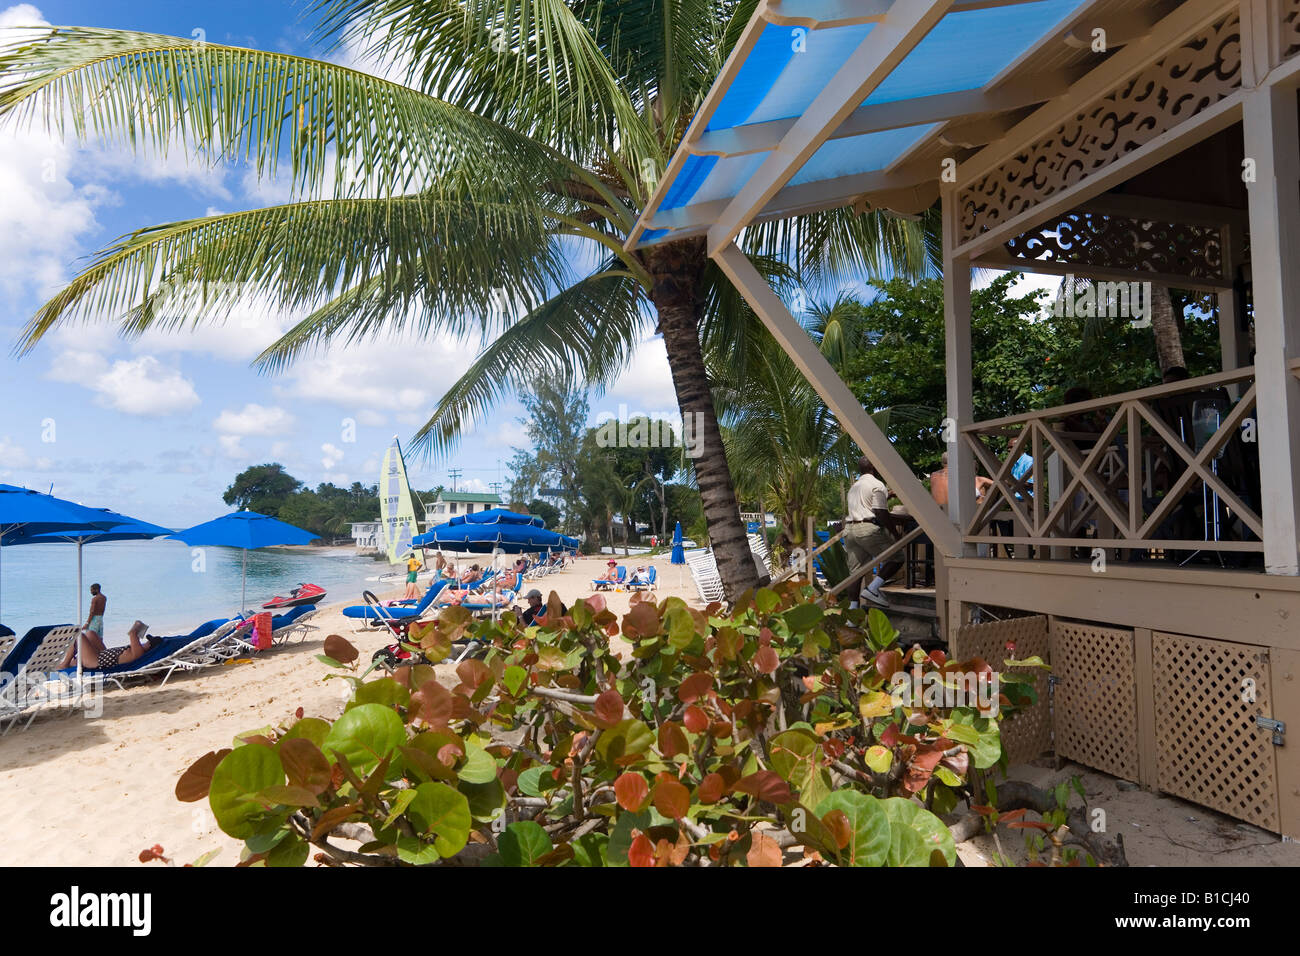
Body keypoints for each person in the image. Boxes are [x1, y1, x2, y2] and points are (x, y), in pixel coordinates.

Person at [844, 456, 905, 608]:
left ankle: (852, 615)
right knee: (897, 556)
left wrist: (887, 495)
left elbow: (865, 504)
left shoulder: (854, 487)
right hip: (867, 529)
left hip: (850, 530)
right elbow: (880, 512)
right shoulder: (877, 484)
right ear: (874, 467)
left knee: (856, 573)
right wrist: (895, 535)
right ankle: (872, 589)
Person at [57, 620, 162, 672]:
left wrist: (139, 626)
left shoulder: (138, 652)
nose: (145, 642)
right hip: (102, 655)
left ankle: (65, 664)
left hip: (96, 662)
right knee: (90, 633)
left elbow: (132, 633)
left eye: (148, 642)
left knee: (78, 634)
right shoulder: (138, 649)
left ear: (150, 646)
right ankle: (73, 661)